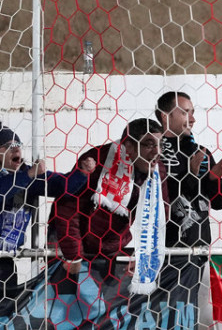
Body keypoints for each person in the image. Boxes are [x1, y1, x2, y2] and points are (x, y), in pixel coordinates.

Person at [49, 118, 164, 281]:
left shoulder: (157, 169)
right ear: (129, 146)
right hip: (71, 245)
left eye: (160, 144)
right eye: (149, 144)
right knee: (62, 300)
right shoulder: (97, 161)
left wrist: (145, 257)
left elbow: (158, 217)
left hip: (111, 248)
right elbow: (67, 208)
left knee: (106, 304)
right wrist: (73, 255)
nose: (157, 152)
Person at [1, 127, 93, 295]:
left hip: (5, 261)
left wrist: (82, 172)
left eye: (18, 144)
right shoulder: (26, 175)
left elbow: (63, 186)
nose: (16, 149)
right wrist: (29, 175)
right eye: (8, 145)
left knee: (7, 310)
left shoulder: (28, 175)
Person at [155, 92, 222, 248]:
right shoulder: (154, 152)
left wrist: (214, 179)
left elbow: (219, 203)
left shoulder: (200, 153)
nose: (192, 119)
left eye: (192, 112)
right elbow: (159, 197)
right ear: (165, 116)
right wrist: (190, 174)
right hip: (166, 249)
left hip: (200, 248)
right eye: (184, 112)